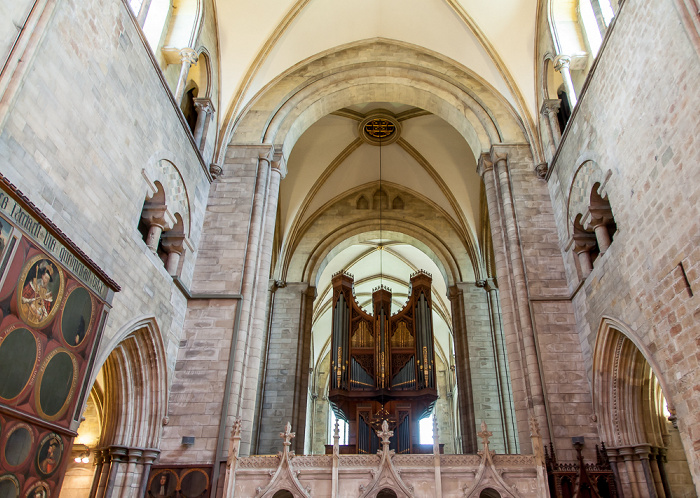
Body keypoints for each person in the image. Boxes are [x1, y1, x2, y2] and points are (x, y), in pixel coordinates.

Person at [21, 260, 55, 324]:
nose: (46, 280)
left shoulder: (48, 294)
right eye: (45, 278)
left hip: (36, 317)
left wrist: (40, 317)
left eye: (47, 279)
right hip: (27, 311)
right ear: (42, 276)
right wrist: (31, 303)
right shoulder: (34, 284)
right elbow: (23, 298)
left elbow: (46, 314)